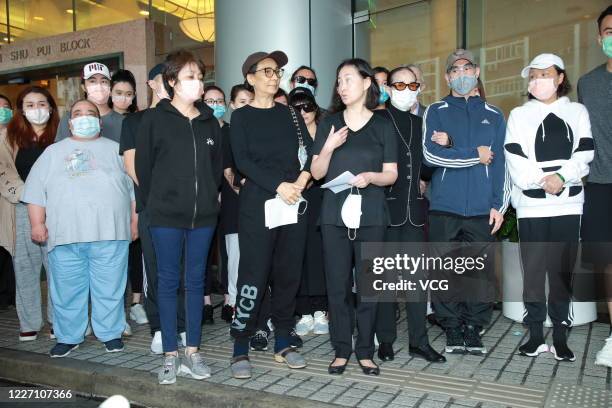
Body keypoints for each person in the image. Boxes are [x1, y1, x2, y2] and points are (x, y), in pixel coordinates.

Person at [22, 99, 135, 358]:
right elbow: (36, 193)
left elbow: (133, 193)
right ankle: (69, 336)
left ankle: (110, 333)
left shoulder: (118, 150)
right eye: (78, 113)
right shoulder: (52, 152)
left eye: (91, 113)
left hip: (111, 233)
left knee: (110, 288)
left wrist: (134, 223)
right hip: (65, 236)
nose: (84, 117)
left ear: (100, 121)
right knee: (66, 290)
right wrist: (37, 223)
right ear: (70, 122)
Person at [136, 50, 222, 385]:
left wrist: (208, 203)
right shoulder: (154, 120)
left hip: (203, 218)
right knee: (167, 283)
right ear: (171, 82)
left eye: (200, 77)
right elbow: (144, 169)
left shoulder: (209, 120)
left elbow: (215, 170)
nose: (198, 83)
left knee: (196, 282)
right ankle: (170, 353)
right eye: (190, 77)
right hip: (165, 216)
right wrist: (156, 205)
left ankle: (193, 350)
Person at [311, 58, 398, 376]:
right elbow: (317, 173)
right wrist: (330, 146)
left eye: (348, 79)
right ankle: (341, 350)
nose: (341, 86)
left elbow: (391, 174)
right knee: (337, 286)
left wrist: (370, 177)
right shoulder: (329, 123)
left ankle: (365, 350)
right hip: (334, 215)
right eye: (338, 81)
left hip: (371, 213)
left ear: (366, 83)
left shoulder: (383, 124)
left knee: (368, 287)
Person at [229, 50, 312, 379]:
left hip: (292, 203)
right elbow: (243, 162)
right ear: (249, 78)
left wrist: (302, 180)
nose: (274, 76)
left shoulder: (290, 114)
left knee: (288, 273)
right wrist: (279, 185)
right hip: (258, 206)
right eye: (265, 71)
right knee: (253, 274)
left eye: (277, 71)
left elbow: (311, 151)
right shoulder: (241, 117)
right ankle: (240, 344)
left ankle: (282, 340)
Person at [506, 53, 593, 361]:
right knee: (533, 272)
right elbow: (513, 156)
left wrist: (560, 177)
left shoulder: (577, 111)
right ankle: (534, 334)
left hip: (568, 205)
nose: (538, 81)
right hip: (531, 207)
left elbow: (585, 151)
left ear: (559, 78)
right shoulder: (518, 114)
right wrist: (543, 181)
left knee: (561, 272)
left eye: (545, 75)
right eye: (533, 76)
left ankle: (559, 334)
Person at [422, 49, 509, 356]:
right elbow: (431, 156)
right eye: (455, 70)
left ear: (477, 71)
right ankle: (451, 327)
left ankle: (473, 327)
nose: (461, 74)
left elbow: (501, 164)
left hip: (482, 209)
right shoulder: (436, 110)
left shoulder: (496, 115)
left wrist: (500, 205)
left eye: (466, 68)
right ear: (447, 77)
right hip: (445, 206)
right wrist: (475, 155)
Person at [373, 66, 445, 364]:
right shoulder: (376, 120)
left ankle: (419, 341)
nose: (406, 89)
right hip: (384, 211)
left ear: (420, 87)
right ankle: (385, 340)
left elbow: (427, 168)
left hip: (414, 211)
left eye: (412, 84)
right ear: (388, 88)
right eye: (399, 84)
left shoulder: (422, 123)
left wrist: (445, 146)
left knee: (416, 282)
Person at [119, 62, 186, 354]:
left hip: (187, 209)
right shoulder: (135, 122)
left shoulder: (187, 118)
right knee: (157, 271)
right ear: (151, 84)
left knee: (186, 271)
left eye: (176, 80)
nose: (171, 85)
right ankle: (160, 328)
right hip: (153, 207)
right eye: (165, 80)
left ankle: (183, 326)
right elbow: (132, 166)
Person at [0, 87, 58, 342]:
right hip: (22, 207)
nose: (37, 109)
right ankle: (29, 323)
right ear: (21, 109)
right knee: (25, 267)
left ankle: (58, 321)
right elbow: (5, 172)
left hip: (58, 208)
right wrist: (31, 194)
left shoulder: (62, 134)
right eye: (30, 104)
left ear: (51, 107)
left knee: (57, 267)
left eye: (42, 103)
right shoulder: (9, 138)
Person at [579, 5, 612, 368]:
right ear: (599, 37)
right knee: (608, 264)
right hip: (601, 184)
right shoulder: (588, 83)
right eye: (608, 31)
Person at [288, 87, 329, 337]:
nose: (303, 112)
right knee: (297, 254)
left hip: (321, 198)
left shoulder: (326, 133)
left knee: (320, 255)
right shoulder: (287, 134)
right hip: (294, 199)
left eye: (308, 106)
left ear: (315, 107)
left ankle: (321, 310)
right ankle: (303, 311)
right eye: (297, 108)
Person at [214, 84, 253, 323]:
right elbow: (228, 171)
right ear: (232, 105)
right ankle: (234, 302)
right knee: (235, 255)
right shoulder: (226, 133)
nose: (246, 105)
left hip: (260, 203)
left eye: (250, 100)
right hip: (235, 201)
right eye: (241, 101)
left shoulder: (260, 131)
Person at [110, 68, 146, 328]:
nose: (124, 98)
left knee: (136, 251)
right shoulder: (101, 120)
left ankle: (136, 302)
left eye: (129, 94)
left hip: (135, 192)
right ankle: (114, 310)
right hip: (109, 196)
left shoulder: (139, 120)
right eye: (118, 93)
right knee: (112, 254)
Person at [202, 84, 230, 324]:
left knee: (229, 250)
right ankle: (206, 302)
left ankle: (230, 298)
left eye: (219, 101)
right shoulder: (198, 130)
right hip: (206, 199)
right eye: (210, 101)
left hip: (231, 199)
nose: (215, 106)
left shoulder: (231, 130)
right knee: (204, 251)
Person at [55, 62, 124, 143]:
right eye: (92, 81)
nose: (99, 86)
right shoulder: (69, 119)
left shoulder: (123, 122)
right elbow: (61, 151)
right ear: (83, 87)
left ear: (110, 87)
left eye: (104, 81)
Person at [0, 94, 16, 310]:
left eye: (6, 107)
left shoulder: (15, 138)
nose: (2, 111)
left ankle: (6, 297)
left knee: (6, 252)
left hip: (9, 200)